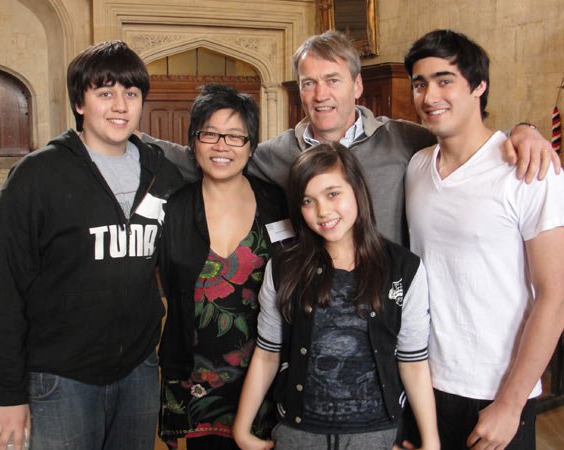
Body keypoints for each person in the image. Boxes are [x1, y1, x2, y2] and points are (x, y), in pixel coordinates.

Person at [144, 30, 559, 247]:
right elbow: (209, 157)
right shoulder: (277, 153)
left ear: (358, 86)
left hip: (391, 309)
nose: (320, 94)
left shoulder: (404, 140)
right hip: (315, 309)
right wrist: (127, 135)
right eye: (309, 83)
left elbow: (466, 139)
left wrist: (523, 131)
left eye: (333, 80)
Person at [0, 41, 184, 450]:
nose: (120, 106)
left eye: (131, 94)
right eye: (105, 93)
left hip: (138, 371)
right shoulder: (37, 176)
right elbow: (4, 289)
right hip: (60, 378)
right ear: (80, 102)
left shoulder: (161, 172)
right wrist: (8, 393)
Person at [400, 29, 564, 450]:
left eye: (445, 80)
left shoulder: (529, 169)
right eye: (420, 84)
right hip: (425, 381)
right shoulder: (417, 166)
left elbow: (555, 295)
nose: (429, 96)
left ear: (478, 86)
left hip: (496, 390)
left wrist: (510, 404)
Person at [233, 143, 440, 450]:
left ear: (357, 189)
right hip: (299, 433)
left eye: (333, 194)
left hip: (376, 434)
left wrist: (431, 441)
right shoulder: (283, 267)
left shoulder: (403, 268)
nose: (323, 211)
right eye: (308, 201)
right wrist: (241, 429)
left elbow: (413, 362)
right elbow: (267, 354)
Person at [158, 84, 292, 450]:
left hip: (266, 375)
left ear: (251, 146)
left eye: (235, 136)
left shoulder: (276, 202)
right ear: (194, 141)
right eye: (210, 134)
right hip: (197, 381)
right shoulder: (173, 208)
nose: (222, 146)